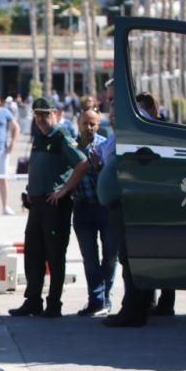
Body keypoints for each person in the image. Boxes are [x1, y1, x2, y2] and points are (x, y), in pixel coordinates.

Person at [8, 97, 88, 318]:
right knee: (33, 254)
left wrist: (64, 189)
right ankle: (33, 301)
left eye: (45, 114)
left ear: (56, 114)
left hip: (54, 205)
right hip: (37, 204)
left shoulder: (61, 136)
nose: (41, 119)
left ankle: (54, 304)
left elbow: (82, 163)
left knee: (54, 255)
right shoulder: (39, 136)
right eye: (37, 115)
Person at [100, 80, 152, 327]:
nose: (109, 105)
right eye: (108, 100)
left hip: (130, 200)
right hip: (120, 201)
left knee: (130, 257)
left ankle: (134, 310)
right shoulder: (122, 122)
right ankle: (133, 306)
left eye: (112, 99)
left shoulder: (135, 119)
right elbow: (109, 150)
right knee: (126, 256)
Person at [134, 91, 177, 316]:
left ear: (152, 109)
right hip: (147, 200)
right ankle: (149, 299)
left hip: (164, 200)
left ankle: (167, 301)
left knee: (166, 253)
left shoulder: (164, 131)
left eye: (142, 110)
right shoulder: (143, 131)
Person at [72, 109, 117, 316]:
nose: (89, 128)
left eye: (93, 124)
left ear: (99, 125)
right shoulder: (72, 146)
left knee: (109, 256)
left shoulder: (105, 145)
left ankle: (105, 299)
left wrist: (99, 167)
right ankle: (95, 300)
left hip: (104, 208)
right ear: (78, 123)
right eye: (85, 124)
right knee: (89, 259)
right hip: (82, 208)